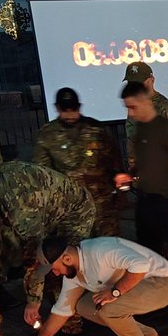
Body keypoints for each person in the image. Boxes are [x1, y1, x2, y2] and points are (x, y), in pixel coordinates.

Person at [0, 163, 96, 327]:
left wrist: (33, 301)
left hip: (74, 212)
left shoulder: (18, 205)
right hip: (51, 215)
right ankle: (73, 316)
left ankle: (73, 326)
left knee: (61, 267)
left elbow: (38, 255)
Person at [15, 235, 168, 336]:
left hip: (161, 283)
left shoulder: (100, 251)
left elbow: (140, 265)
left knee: (108, 309)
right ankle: (145, 335)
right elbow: (61, 312)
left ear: (66, 258)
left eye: (55, 269)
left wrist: (115, 292)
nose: (56, 274)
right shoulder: (73, 275)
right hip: (140, 285)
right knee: (84, 306)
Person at [115, 81, 168, 301]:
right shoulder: (141, 129)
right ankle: (159, 295)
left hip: (166, 201)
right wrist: (131, 176)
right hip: (146, 200)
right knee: (149, 252)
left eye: (133, 106)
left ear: (144, 101)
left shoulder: (166, 127)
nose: (130, 112)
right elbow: (145, 164)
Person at [33, 87, 124, 237]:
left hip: (102, 205)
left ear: (79, 107)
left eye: (73, 108)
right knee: (77, 250)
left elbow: (114, 160)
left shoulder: (95, 129)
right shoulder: (47, 134)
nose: (69, 113)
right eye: (65, 109)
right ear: (57, 108)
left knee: (109, 247)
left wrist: (119, 191)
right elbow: (42, 173)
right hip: (70, 207)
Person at [123, 61, 168, 163]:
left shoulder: (165, 108)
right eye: (131, 83)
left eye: (139, 83)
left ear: (151, 80)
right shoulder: (134, 105)